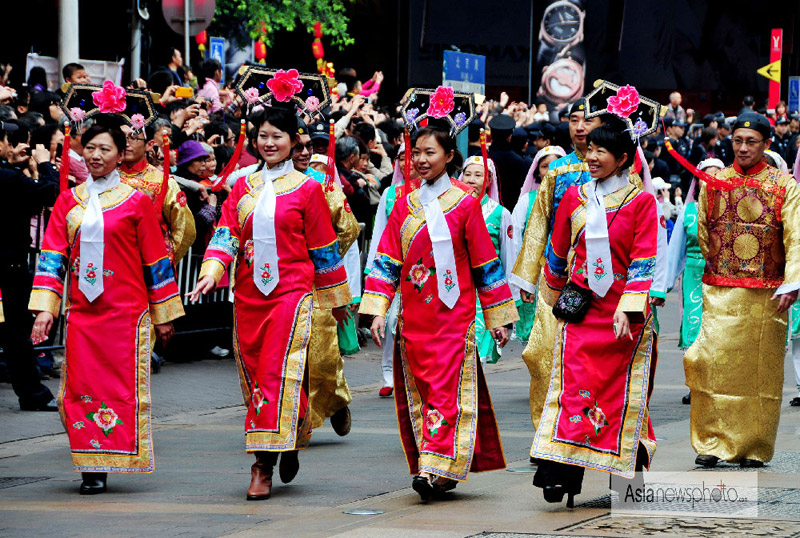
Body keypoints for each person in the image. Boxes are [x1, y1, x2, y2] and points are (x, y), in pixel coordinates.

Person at [189, 69, 352, 501]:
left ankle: (261, 464)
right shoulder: (241, 185)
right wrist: (210, 273)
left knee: (278, 375)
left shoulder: (308, 189)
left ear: (294, 140)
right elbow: (225, 235)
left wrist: (338, 303)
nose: (269, 143)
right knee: (258, 379)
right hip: (247, 299)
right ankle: (291, 435)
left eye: (278, 136)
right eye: (262, 135)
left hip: (291, 297)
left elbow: (323, 249)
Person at [360, 87, 518, 501]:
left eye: (431, 152)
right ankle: (438, 465)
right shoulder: (403, 204)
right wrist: (377, 309)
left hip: (455, 318)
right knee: (426, 392)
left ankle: (436, 467)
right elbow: (386, 260)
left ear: (449, 156)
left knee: (448, 392)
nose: (422, 160)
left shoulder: (466, 205)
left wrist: (500, 318)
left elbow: (486, 264)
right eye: (417, 153)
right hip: (414, 320)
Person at [29, 116, 184, 494]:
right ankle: (88, 458)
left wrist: (164, 315)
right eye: (91, 148)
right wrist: (46, 309)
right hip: (83, 312)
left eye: (105, 149)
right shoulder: (69, 200)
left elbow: (156, 262)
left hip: (126, 315)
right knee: (79, 387)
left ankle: (103, 464)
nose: (96, 155)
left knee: (118, 388)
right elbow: (53, 257)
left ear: (119, 155)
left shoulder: (137, 202)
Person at [531, 117, 659, 507]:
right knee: (573, 391)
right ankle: (561, 472)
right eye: (589, 150)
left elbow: (643, 259)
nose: (592, 157)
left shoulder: (641, 203)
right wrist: (548, 302)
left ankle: (629, 480)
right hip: (582, 312)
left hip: (623, 317)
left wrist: (630, 307)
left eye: (601, 151)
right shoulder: (576, 197)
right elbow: (556, 253)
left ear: (623, 158)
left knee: (622, 397)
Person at [683, 112, 800, 468]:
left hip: (767, 295)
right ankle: (710, 443)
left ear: (766, 144)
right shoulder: (713, 181)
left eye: (751, 142)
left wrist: (791, 282)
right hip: (719, 291)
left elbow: (795, 236)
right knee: (710, 365)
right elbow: (703, 233)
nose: (744, 148)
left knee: (760, 373)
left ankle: (754, 446)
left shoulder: (784, 185)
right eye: (738, 141)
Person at [510, 99, 603, 441]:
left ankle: (587, 430)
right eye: (574, 120)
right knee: (542, 353)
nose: (579, 126)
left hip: (600, 282)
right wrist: (525, 277)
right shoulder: (557, 171)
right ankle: (545, 432)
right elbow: (538, 225)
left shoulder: (616, 172)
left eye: (587, 120)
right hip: (557, 280)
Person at [293, 119, 360, 436]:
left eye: (309, 147)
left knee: (322, 353)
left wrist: (322, 260)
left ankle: (336, 400)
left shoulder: (324, 184)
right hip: (275, 285)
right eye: (298, 146)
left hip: (317, 284)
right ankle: (289, 423)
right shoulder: (252, 185)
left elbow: (349, 228)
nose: (305, 153)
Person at [0, 120, 59, 411]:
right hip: (9, 267)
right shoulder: (8, 178)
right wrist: (46, 164)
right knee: (17, 335)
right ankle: (32, 394)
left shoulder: (9, 176)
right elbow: (48, 194)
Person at [363, 143, 419, 397]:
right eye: (402, 158)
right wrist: (372, 268)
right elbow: (380, 232)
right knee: (390, 320)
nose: (408, 162)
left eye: (413, 156)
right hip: (393, 264)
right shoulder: (389, 193)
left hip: (422, 268)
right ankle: (388, 373)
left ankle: (413, 373)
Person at [667, 158, 722, 406]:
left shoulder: (733, 209)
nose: (710, 179)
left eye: (717, 174)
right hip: (693, 275)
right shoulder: (688, 212)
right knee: (694, 326)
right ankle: (695, 385)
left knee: (721, 330)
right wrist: (663, 284)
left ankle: (718, 384)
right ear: (697, 181)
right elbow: (675, 251)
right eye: (704, 175)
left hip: (723, 277)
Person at [119, 116, 195, 266]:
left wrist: (165, 257)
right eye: (122, 138)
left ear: (149, 145)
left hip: (151, 263)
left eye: (133, 137)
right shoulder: (106, 178)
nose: (126, 143)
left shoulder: (163, 181)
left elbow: (185, 228)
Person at [460, 155, 514, 364]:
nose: (471, 179)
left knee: (477, 352)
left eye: (478, 175)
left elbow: (508, 259)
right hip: (455, 286)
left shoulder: (500, 213)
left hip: (484, 291)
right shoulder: (450, 209)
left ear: (489, 180)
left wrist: (506, 308)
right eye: (468, 174)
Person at [511, 146, 565, 342]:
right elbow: (517, 238)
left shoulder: (575, 196)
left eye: (556, 165)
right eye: (545, 166)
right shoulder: (527, 200)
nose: (550, 170)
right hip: (535, 270)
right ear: (537, 172)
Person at [488, 113, 532, 210]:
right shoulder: (519, 161)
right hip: (511, 209)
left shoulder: (483, 156)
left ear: (491, 134)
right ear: (509, 136)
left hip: (485, 209)